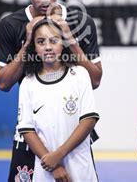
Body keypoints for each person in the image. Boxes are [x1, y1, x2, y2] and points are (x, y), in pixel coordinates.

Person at [0, 0, 102, 181]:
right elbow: (3, 83)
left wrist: (70, 39)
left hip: (71, 128)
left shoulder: (81, 21)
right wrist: (27, 43)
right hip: (31, 132)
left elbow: (95, 80)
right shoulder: (11, 24)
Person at [18, 19, 99, 181]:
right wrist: (52, 164)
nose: (48, 46)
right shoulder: (28, 83)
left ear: (63, 44)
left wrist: (58, 155)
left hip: (80, 167)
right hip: (46, 170)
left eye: (54, 41)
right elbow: (26, 129)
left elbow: (89, 120)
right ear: (34, 47)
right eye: (41, 42)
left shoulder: (80, 75)